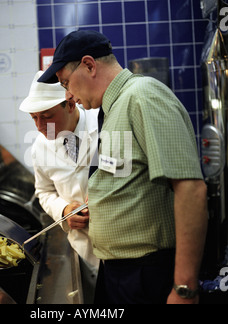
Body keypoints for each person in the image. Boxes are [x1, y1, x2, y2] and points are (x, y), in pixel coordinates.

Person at [38, 30, 208, 304]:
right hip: (118, 271)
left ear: (89, 65)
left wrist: (184, 288)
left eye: (67, 83)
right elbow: (125, 176)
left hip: (146, 273)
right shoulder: (112, 109)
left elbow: (191, 189)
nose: (69, 94)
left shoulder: (143, 97)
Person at [19, 71, 99, 303]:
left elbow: (125, 176)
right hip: (83, 249)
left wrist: (104, 200)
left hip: (119, 246)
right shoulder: (39, 147)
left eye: (46, 116)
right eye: (34, 118)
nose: (39, 126)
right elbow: (44, 191)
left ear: (71, 104)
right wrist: (64, 211)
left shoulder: (104, 125)